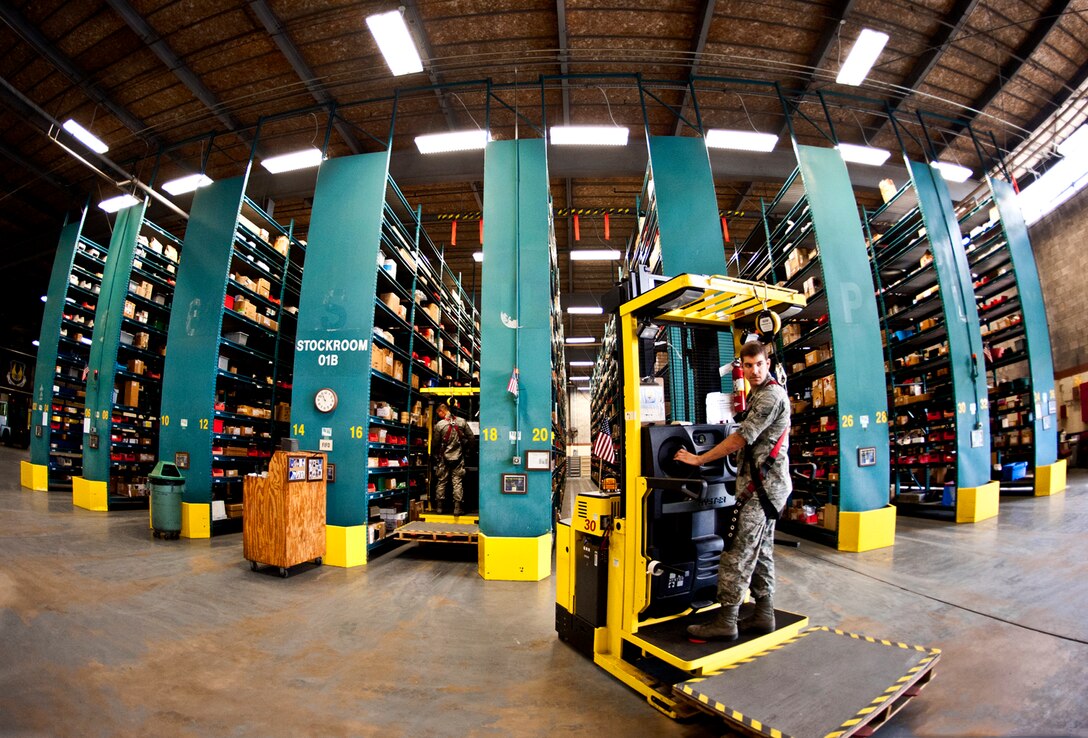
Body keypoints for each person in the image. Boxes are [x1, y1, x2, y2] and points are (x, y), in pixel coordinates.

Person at [673, 340, 791, 641]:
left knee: (736, 553)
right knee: (760, 551)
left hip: (763, 490)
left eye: (759, 364)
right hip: (763, 488)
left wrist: (700, 458)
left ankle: (726, 621)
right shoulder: (758, 394)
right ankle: (764, 615)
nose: (754, 371)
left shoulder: (770, 397)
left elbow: (742, 438)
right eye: (748, 365)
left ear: (768, 363)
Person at [432, 402, 473, 516]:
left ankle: (439, 508)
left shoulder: (440, 425)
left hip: (444, 458)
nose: (438, 415)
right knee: (457, 482)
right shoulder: (461, 422)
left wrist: (435, 455)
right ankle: (457, 509)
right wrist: (469, 451)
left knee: (441, 482)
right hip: (458, 458)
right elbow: (471, 437)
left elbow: (435, 443)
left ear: (442, 411)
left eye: (438, 413)